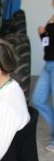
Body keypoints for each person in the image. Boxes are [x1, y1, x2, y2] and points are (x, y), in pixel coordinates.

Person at [32, 0, 54, 152]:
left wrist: (45, 31)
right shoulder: (52, 18)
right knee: (38, 99)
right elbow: (48, 43)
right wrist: (42, 34)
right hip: (49, 64)